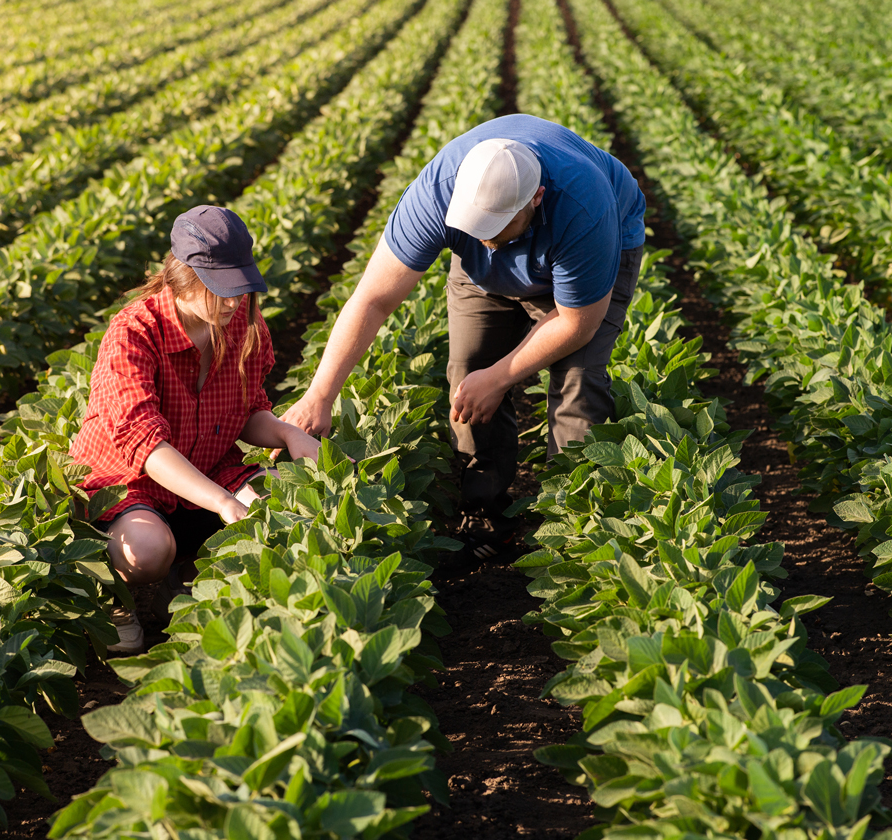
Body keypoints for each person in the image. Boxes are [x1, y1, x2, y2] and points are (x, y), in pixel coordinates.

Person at [282, 114, 646, 568]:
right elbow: (373, 299)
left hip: (578, 262)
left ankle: (575, 533)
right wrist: (319, 395)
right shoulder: (440, 190)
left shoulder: (584, 205)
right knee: (466, 375)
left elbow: (576, 324)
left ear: (536, 198)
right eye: (476, 225)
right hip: (484, 277)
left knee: (577, 384)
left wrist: (500, 378)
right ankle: (486, 513)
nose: (485, 237)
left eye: (496, 226)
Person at [70, 206, 321, 654]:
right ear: (181, 278)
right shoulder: (133, 333)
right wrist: (222, 501)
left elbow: (247, 412)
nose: (232, 301)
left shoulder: (243, 322)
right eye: (220, 289)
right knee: (145, 550)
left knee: (283, 509)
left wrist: (288, 434)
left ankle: (185, 575)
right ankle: (114, 595)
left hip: (206, 463)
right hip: (129, 480)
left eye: (239, 287)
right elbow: (147, 446)